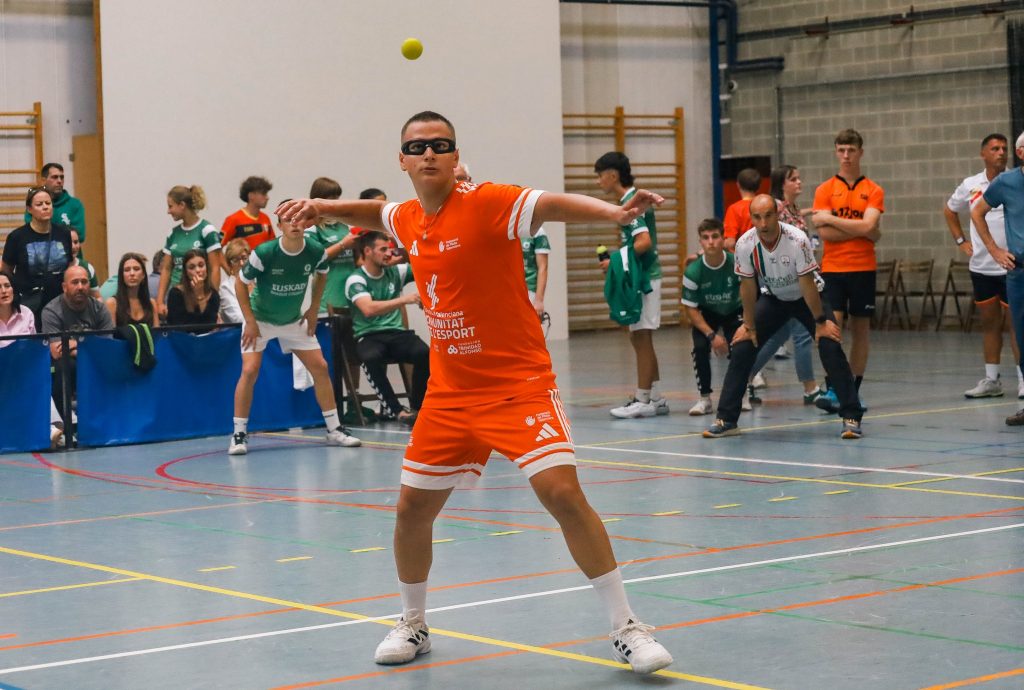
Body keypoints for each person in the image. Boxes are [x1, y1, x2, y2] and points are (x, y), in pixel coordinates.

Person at [277, 110, 673, 675]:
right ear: (403, 160)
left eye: (441, 145)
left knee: (562, 493)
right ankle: (413, 622)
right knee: (412, 508)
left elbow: (551, 204)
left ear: (456, 157)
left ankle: (627, 626)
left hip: (518, 387)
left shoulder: (488, 202)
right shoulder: (407, 217)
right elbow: (374, 213)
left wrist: (612, 212)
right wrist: (322, 207)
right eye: (418, 146)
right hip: (449, 396)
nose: (430, 153)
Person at [703, 195, 864, 439]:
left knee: (830, 345)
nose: (763, 223)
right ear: (751, 218)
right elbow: (747, 286)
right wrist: (749, 325)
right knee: (743, 346)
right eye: (757, 217)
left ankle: (851, 416)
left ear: (777, 215)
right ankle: (727, 419)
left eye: (768, 216)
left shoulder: (796, 239)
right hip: (774, 298)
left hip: (808, 297)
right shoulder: (745, 243)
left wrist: (820, 322)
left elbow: (807, 283)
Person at [228, 207, 361, 455]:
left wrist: (313, 309)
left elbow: (322, 274)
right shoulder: (265, 252)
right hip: (260, 319)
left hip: (293, 320)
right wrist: (250, 320)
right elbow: (240, 283)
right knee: (249, 370)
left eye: (299, 219)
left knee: (320, 366)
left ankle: (334, 429)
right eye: (288, 220)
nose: (294, 223)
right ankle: (239, 434)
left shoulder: (315, 250)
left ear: (306, 224)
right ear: (280, 226)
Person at [944, 134, 1022, 399]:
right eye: (995, 148)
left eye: (1004, 148)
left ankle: (1022, 380)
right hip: (982, 267)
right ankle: (992, 380)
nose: (1001, 152)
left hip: (1011, 267)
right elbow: (950, 210)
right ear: (983, 154)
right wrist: (961, 241)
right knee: (989, 324)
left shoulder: (1014, 181)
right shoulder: (971, 184)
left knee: (1017, 325)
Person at [812, 129, 884, 413]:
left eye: (851, 150)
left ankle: (852, 391)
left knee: (861, 332)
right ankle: (834, 388)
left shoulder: (874, 190)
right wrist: (863, 230)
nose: (846, 155)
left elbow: (869, 226)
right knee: (832, 329)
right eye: (841, 150)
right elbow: (825, 234)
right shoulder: (825, 189)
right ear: (836, 152)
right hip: (833, 269)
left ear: (860, 152)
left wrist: (831, 219)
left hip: (863, 268)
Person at [594, 151, 669, 419]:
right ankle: (656, 397)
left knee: (641, 337)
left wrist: (615, 260)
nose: (599, 181)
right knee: (641, 337)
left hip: (645, 279)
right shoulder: (631, 200)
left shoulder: (632, 203)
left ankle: (643, 399)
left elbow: (643, 243)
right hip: (643, 276)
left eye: (600, 176)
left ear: (613, 175)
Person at [747, 165, 823, 406]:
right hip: (784, 280)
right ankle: (810, 387)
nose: (799, 182)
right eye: (793, 179)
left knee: (779, 334)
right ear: (782, 184)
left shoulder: (794, 209)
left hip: (800, 276)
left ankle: (745, 377)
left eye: (799, 178)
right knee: (802, 333)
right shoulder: (776, 209)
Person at [345, 230, 429, 425]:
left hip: (396, 334)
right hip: (369, 335)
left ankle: (418, 407)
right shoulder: (356, 279)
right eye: (383, 249)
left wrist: (401, 249)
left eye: (389, 249)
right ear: (367, 251)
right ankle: (396, 410)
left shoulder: (396, 271)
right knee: (370, 356)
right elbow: (368, 309)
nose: (389, 253)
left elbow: (423, 263)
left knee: (424, 352)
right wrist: (404, 299)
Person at [971, 131, 1024, 426]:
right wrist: (994, 250)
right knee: (1022, 335)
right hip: (1018, 271)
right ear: (1021, 153)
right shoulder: (1006, 182)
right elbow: (977, 212)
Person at [682, 219, 743, 415]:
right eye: (706, 238)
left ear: (723, 239)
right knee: (700, 348)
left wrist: (748, 324)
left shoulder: (737, 263)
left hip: (734, 310)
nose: (711, 242)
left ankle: (742, 394)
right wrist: (712, 336)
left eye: (715, 237)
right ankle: (705, 398)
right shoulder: (693, 271)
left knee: (742, 347)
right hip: (707, 312)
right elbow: (690, 309)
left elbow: (749, 293)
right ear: (700, 241)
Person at [41, 265, 115, 425]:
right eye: (75, 282)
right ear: (64, 287)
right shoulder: (51, 311)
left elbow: (107, 347)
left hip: (96, 361)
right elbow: (56, 351)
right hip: (66, 364)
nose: (80, 287)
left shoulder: (100, 309)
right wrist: (90, 346)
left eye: (84, 282)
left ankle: (107, 418)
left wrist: (74, 344)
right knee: (64, 365)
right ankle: (65, 423)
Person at [0, 268, 64, 446]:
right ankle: (50, 430)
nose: (4, 291)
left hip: (23, 373)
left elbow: (33, 349)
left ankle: (51, 428)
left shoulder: (26, 314)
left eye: (7, 286)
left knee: (37, 379)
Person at [1, 187, 73, 326]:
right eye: (39, 204)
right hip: (30, 303)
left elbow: (69, 266)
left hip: (60, 302)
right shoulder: (17, 237)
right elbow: (6, 271)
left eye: (48, 203)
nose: (45, 207)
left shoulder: (63, 233)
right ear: (29, 209)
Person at [156, 185, 224, 318]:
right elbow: (166, 268)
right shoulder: (173, 234)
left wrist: (213, 302)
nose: (168, 211)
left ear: (182, 205)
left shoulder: (206, 230)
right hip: (178, 296)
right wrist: (160, 301)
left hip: (201, 294)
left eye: (170, 206)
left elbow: (215, 267)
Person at [305, 177, 359, 314]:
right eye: (331, 198)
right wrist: (342, 245)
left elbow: (357, 259)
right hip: (327, 302)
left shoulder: (344, 225)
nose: (336, 201)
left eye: (337, 197)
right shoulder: (312, 228)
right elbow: (313, 260)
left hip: (351, 299)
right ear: (319, 199)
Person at [24, 163, 85, 240]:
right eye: (54, 177)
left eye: (62, 177)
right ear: (43, 181)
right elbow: (32, 232)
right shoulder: (35, 204)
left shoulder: (75, 204)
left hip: (69, 248)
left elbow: (79, 236)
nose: (59, 181)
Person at [165, 249, 219, 331]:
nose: (198, 270)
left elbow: (209, 325)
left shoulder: (213, 294)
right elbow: (178, 325)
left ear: (207, 268)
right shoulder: (175, 293)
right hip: (181, 338)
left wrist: (200, 294)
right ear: (186, 272)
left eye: (201, 265)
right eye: (192, 267)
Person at [221, 176, 276, 250]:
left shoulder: (266, 218)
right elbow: (218, 247)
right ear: (251, 196)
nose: (267, 197)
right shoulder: (233, 219)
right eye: (263, 194)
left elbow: (273, 246)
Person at [105, 252, 157, 327]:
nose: (132, 273)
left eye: (136, 269)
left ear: (143, 275)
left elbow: (158, 333)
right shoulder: (112, 303)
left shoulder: (151, 303)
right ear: (122, 275)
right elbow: (110, 333)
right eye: (127, 270)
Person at [723, 168, 760, 252]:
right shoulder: (764, 206)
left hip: (743, 255)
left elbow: (730, 242)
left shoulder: (734, 209)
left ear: (738, 185)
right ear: (758, 186)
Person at [219, 239, 251, 324]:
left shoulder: (259, 281)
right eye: (236, 260)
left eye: (244, 258)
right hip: (240, 331)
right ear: (229, 264)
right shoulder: (226, 287)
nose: (241, 263)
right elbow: (238, 318)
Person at [69, 228, 100, 298]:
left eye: (76, 242)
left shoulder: (87, 267)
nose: (73, 247)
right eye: (69, 242)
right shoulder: (52, 268)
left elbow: (97, 298)